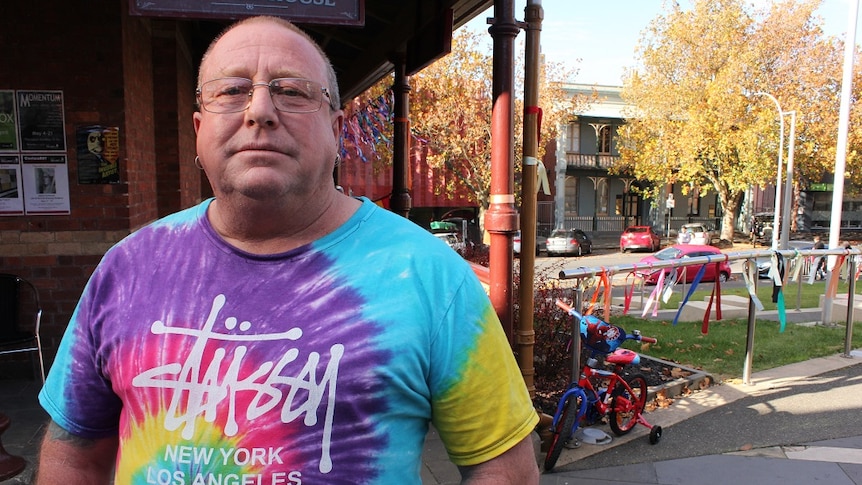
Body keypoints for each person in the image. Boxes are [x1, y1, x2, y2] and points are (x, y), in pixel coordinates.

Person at [36, 16, 539, 485]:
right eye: (232, 91)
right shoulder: (128, 269)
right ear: (197, 132)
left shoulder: (428, 276)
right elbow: (74, 451)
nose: (259, 111)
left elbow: (504, 467)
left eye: (292, 92)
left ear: (338, 132)